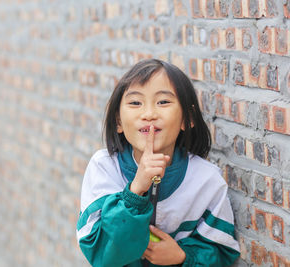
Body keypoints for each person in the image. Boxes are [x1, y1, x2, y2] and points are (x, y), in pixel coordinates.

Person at [76, 59, 240, 266]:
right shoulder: (104, 167)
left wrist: (182, 257)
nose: (149, 114)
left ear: (186, 118)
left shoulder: (206, 179)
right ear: (118, 121)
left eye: (163, 102)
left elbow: (222, 251)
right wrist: (135, 191)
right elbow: (103, 254)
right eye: (135, 103)